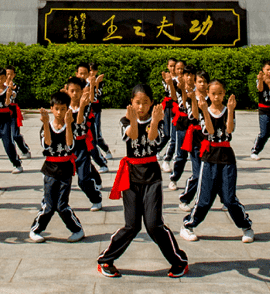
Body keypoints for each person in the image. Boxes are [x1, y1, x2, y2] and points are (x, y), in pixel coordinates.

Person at [97, 84, 188, 279]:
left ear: (152, 103)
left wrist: (154, 121)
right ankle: (106, 259)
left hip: (151, 176)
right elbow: (133, 135)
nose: (141, 106)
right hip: (130, 176)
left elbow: (153, 139)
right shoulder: (125, 120)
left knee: (154, 224)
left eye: (145, 103)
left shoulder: (160, 122)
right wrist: (133, 120)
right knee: (132, 225)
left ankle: (178, 261)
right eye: (137, 102)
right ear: (131, 103)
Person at [180, 79, 253, 243]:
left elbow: (229, 130)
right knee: (205, 199)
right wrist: (205, 111)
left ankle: (246, 226)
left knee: (229, 199)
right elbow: (210, 131)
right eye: (213, 94)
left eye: (220, 93)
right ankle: (188, 225)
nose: (217, 97)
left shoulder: (228, 110)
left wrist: (232, 110)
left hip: (227, 156)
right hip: (210, 157)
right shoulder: (204, 109)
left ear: (224, 93)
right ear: (208, 94)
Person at [29, 91, 86, 243]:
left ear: (67, 109)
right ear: (51, 109)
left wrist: (68, 124)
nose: (59, 112)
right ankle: (36, 229)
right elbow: (47, 143)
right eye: (56, 109)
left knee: (61, 205)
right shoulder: (47, 126)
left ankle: (77, 229)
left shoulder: (71, 126)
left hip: (65, 169)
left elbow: (69, 144)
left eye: (62, 109)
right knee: (48, 205)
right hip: (50, 169)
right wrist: (45, 123)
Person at [65, 77, 104, 211]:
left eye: (77, 91)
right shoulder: (63, 106)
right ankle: (59, 203)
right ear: (67, 91)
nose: (74, 94)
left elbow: (80, 123)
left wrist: (81, 107)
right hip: (66, 146)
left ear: (82, 92)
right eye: (72, 91)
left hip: (81, 145)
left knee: (83, 180)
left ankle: (96, 199)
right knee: (63, 180)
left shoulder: (87, 106)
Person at [171, 68, 207, 211]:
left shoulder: (212, 98)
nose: (202, 84)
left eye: (205, 81)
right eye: (199, 81)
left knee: (215, 174)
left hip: (212, 141)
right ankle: (185, 198)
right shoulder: (193, 97)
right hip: (197, 140)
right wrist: (192, 99)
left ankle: (226, 200)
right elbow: (194, 117)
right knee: (198, 174)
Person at [0, 68, 24, 173]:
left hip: (5, 120)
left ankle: (17, 164)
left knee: (8, 142)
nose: (0, 81)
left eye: (2, 78)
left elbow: (9, 102)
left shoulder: (8, 90)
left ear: (5, 78)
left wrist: (9, 95)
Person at [250, 60, 270, 160]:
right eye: (267, 70)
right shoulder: (259, 80)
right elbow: (260, 89)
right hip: (263, 110)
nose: (269, 72)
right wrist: (261, 80)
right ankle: (255, 150)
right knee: (264, 133)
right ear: (263, 70)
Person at [6, 67, 33, 159]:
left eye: (10, 74)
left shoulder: (15, 86)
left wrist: (10, 88)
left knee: (15, 134)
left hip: (12, 111)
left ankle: (25, 150)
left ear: (14, 75)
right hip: (2, 113)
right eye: (7, 74)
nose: (8, 76)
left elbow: (13, 95)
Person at [88, 64, 112, 161]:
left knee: (96, 134)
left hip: (96, 110)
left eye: (94, 70)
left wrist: (96, 83)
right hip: (87, 110)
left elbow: (97, 95)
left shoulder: (100, 81)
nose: (92, 72)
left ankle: (106, 150)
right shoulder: (85, 81)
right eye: (90, 70)